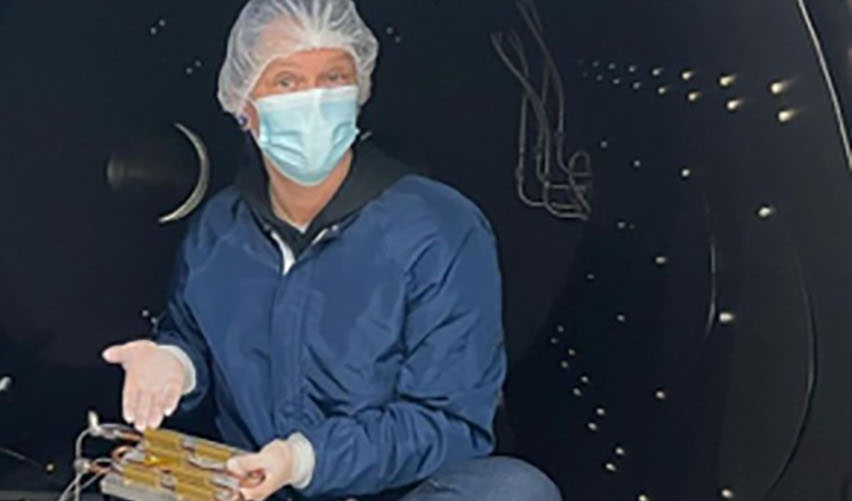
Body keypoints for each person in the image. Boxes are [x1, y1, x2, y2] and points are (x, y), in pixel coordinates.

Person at [100, 1, 562, 500]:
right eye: (286, 82)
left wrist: (305, 459)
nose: (314, 100)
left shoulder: (440, 228)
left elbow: (449, 421)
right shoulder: (218, 231)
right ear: (242, 106)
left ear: (359, 92)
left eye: (334, 76)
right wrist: (175, 366)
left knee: (514, 491)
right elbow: (194, 341)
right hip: (253, 488)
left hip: (396, 493)